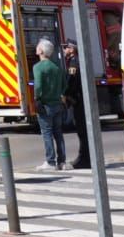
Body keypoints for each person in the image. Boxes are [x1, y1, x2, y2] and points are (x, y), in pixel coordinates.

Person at [31, 39, 67, 171]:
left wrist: (37, 98)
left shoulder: (38, 67)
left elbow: (38, 85)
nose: (36, 49)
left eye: (37, 47)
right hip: (57, 103)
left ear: (41, 51)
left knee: (47, 133)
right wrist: (59, 93)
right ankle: (62, 161)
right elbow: (64, 85)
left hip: (46, 105)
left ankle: (50, 161)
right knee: (58, 133)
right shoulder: (56, 67)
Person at [61, 39, 91, 168]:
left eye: (66, 47)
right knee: (83, 130)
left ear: (72, 49)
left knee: (82, 130)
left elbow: (71, 82)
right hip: (80, 99)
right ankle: (85, 157)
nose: (64, 50)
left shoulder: (74, 63)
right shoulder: (76, 61)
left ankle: (84, 159)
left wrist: (66, 94)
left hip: (78, 100)